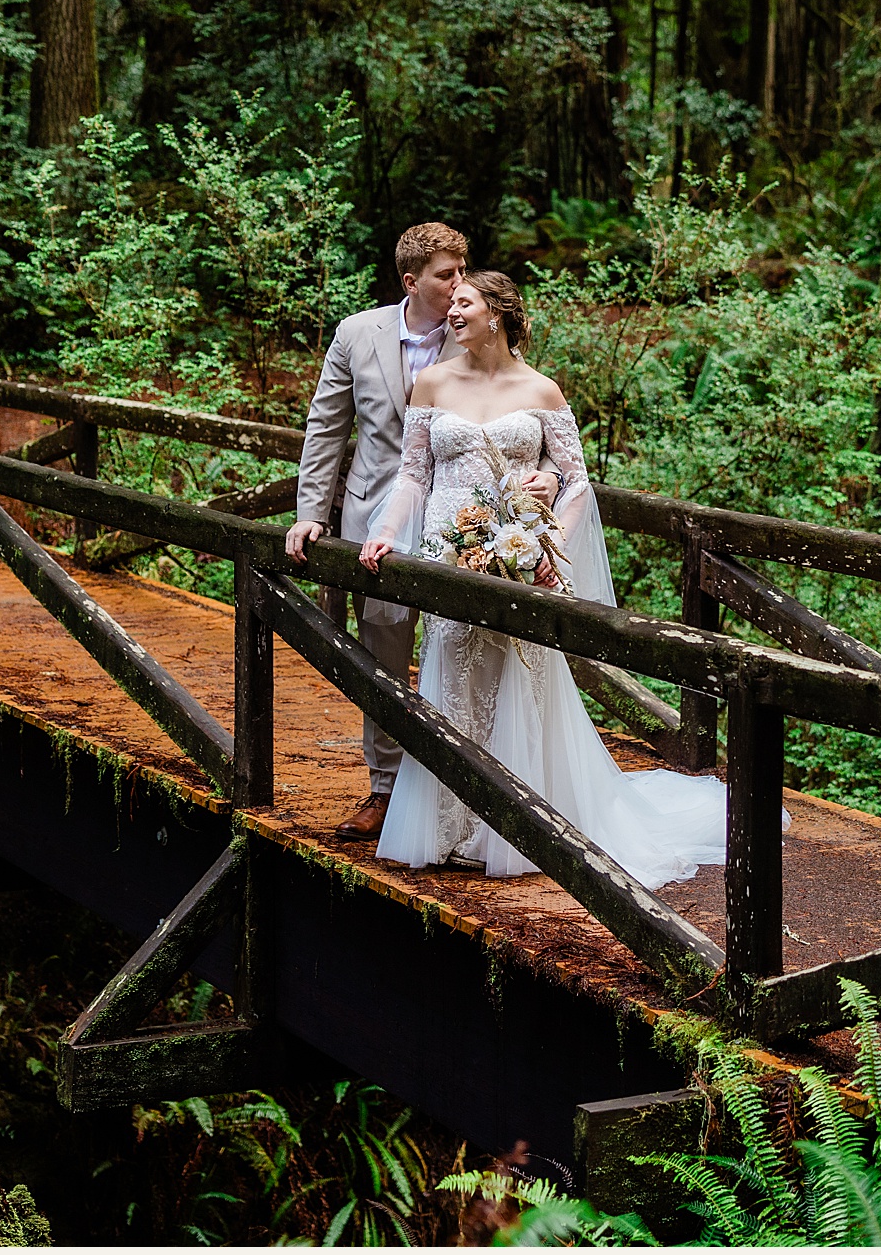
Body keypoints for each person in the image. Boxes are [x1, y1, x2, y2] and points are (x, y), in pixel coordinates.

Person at [359, 271, 729, 889]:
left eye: (464, 303)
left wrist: (545, 537)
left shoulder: (541, 390)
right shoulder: (430, 383)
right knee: (451, 674)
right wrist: (386, 533)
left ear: (497, 314)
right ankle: (449, 824)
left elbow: (576, 478)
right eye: (450, 303)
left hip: (516, 555)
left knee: (514, 677)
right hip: (448, 555)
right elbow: (413, 477)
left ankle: (515, 826)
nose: (451, 311)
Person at [288, 222, 471, 842]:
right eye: (447, 274)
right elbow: (326, 429)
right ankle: (386, 789)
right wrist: (311, 511)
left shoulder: (477, 331)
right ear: (410, 279)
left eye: (462, 270)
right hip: (374, 520)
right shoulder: (356, 334)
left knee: (458, 652)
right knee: (385, 653)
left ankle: (464, 791)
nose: (459, 284)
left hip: (457, 520)